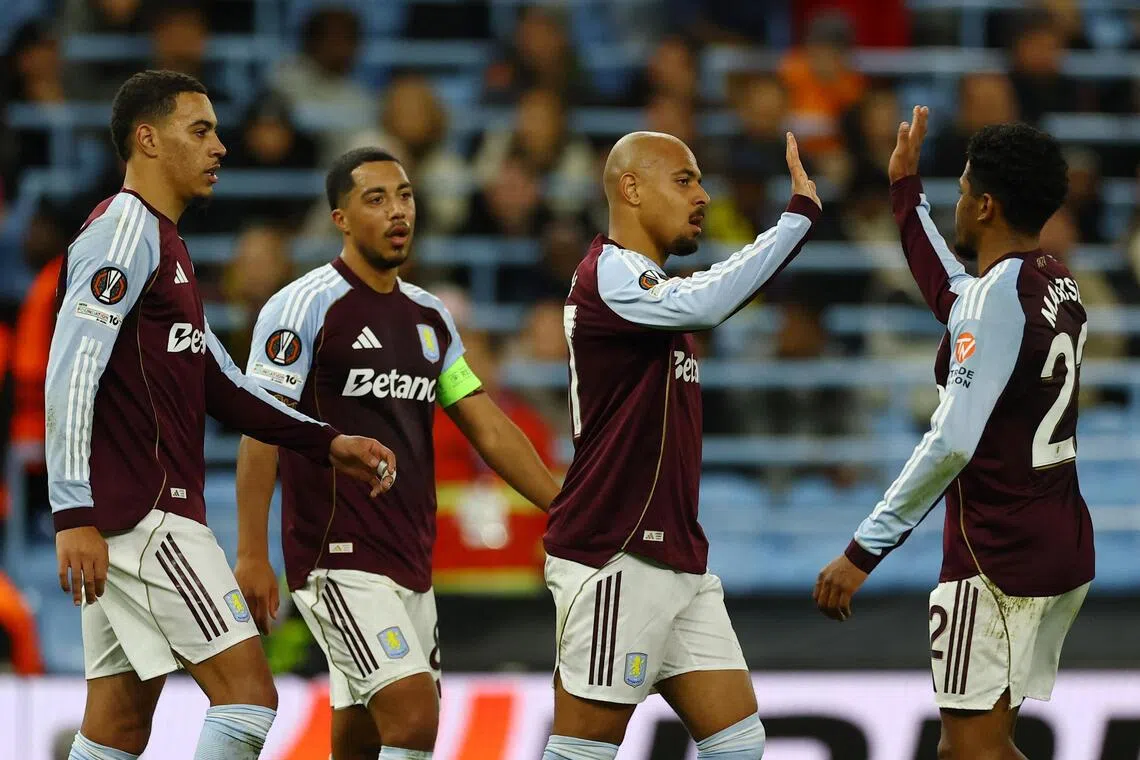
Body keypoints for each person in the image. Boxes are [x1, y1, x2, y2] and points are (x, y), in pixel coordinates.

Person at [46, 70, 398, 760]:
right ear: (148, 139)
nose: (220, 147)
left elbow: (224, 384)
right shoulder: (123, 230)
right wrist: (71, 512)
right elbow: (73, 368)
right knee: (249, 697)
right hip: (145, 514)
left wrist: (328, 442)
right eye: (200, 130)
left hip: (131, 516)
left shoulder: (164, 245)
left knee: (118, 726)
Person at [234, 147, 561, 760]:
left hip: (411, 560)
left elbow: (487, 426)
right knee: (413, 718)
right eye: (376, 199)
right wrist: (253, 553)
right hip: (337, 557)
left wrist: (564, 508)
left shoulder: (431, 319)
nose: (397, 211)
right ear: (340, 218)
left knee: (363, 736)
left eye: (405, 196)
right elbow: (260, 431)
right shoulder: (305, 305)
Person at [814, 108, 1094, 760]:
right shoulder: (1052, 280)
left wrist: (862, 552)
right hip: (1058, 537)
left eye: (964, 191)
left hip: (997, 554)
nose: (959, 203)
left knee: (968, 750)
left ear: (986, 205)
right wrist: (905, 193)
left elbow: (950, 442)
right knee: (981, 744)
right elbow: (955, 294)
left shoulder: (997, 297)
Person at [541, 130, 821, 759]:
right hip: (616, 552)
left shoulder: (651, 290)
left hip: (673, 553)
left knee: (738, 745)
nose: (703, 196)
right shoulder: (610, 274)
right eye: (684, 179)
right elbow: (707, 301)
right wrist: (795, 221)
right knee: (582, 751)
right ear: (631, 189)